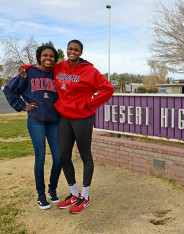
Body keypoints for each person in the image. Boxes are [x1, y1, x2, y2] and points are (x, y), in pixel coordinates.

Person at [21, 39, 114, 214]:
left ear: (80, 52)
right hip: (64, 117)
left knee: (86, 156)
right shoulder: (59, 67)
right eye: (70, 49)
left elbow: (107, 88)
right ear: (67, 50)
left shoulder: (90, 71)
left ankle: (84, 197)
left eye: (76, 50)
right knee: (63, 156)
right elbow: (43, 67)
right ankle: (73, 194)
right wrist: (26, 68)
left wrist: (90, 104)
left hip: (83, 118)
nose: (73, 52)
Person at [5, 45, 62, 210]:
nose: (48, 58)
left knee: (59, 158)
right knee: (40, 157)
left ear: (55, 58)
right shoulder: (28, 73)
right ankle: (41, 196)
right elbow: (10, 89)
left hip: (54, 120)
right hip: (36, 120)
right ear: (39, 57)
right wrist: (22, 106)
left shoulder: (57, 74)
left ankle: (52, 189)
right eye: (45, 55)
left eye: (51, 56)